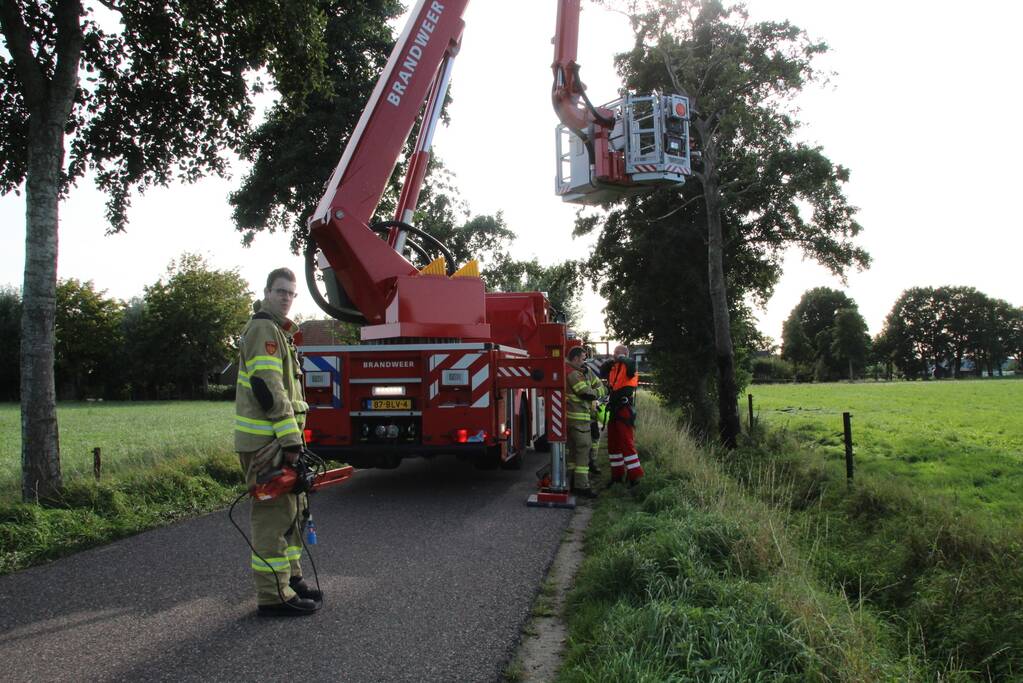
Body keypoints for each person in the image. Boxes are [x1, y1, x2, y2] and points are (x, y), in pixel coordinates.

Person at [235, 267, 319, 617]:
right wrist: (290, 440)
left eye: (291, 293)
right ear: (267, 292)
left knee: (294, 512)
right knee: (272, 517)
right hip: (266, 442)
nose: (286, 297)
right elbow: (269, 389)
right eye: (280, 291)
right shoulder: (263, 330)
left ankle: (291, 580)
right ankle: (273, 596)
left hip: (280, 440)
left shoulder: (280, 333)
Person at [600, 345, 644, 486]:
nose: (614, 355)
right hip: (614, 408)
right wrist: (610, 361)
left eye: (617, 353)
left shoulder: (630, 366)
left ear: (624, 354)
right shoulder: (614, 367)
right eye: (614, 352)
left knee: (626, 442)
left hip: (624, 408)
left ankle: (635, 477)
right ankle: (617, 476)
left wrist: (622, 358)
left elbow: (631, 365)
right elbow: (602, 372)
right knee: (613, 444)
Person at [566, 346, 606, 498]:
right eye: (583, 358)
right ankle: (582, 487)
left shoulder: (581, 371)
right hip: (579, 419)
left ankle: (573, 483)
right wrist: (601, 391)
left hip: (577, 419)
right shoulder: (573, 374)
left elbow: (597, 385)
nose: (585, 362)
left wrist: (599, 389)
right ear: (575, 358)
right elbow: (586, 393)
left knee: (574, 453)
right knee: (583, 451)